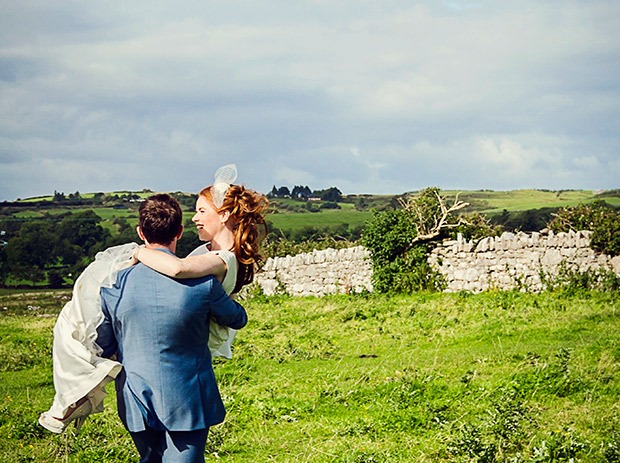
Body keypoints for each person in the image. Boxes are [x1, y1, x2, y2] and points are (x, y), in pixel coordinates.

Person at [96, 193, 248, 462]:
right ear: (179, 232)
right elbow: (237, 319)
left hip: (135, 395)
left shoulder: (114, 285)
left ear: (140, 232)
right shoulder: (203, 282)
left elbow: (105, 344)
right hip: (188, 396)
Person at [133, 164, 269, 357]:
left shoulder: (223, 260)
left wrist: (139, 252)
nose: (195, 218)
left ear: (223, 215)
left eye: (202, 211)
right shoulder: (204, 250)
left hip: (190, 346)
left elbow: (178, 269)